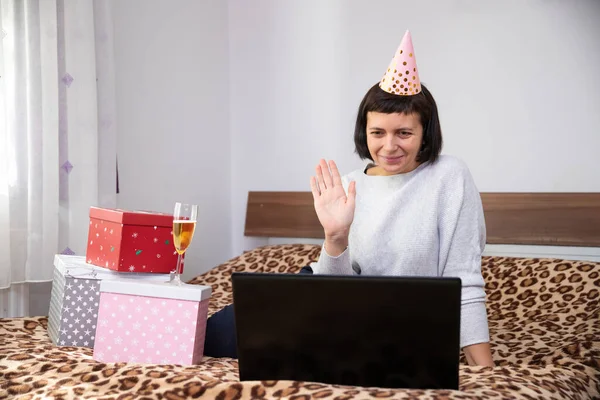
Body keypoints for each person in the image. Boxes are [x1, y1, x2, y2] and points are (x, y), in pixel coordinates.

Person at [204, 30, 494, 367]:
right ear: (364, 132)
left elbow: (465, 282)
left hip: (396, 327)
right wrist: (335, 238)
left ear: (425, 133)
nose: (389, 146)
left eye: (403, 132)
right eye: (377, 133)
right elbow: (331, 284)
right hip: (329, 303)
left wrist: (486, 374)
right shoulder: (351, 185)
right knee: (209, 336)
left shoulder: (449, 177)